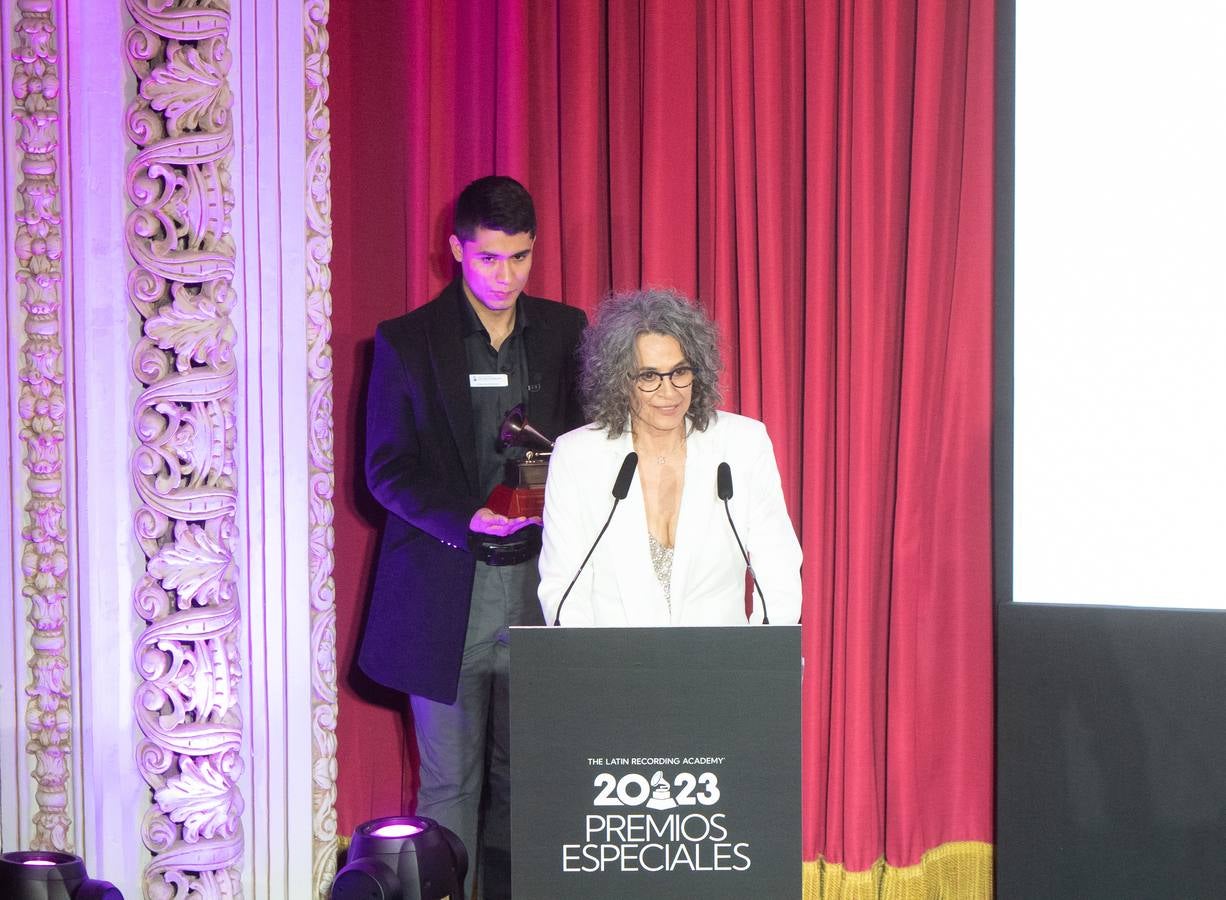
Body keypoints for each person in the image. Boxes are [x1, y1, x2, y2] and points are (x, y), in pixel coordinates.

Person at [360, 175, 586, 898]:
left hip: (540, 595)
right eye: (490, 258)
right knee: (450, 785)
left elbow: (592, 445)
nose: (506, 276)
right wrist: (465, 518)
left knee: (531, 785)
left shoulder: (568, 331)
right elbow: (384, 470)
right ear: (457, 250)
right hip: (445, 595)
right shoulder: (406, 341)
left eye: (520, 258)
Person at [539, 287, 802, 626]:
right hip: (617, 670)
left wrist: (760, 664)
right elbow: (564, 588)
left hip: (720, 668)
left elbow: (777, 567)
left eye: (680, 372)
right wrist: (592, 673)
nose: (669, 392)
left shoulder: (742, 444)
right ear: (619, 380)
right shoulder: (577, 456)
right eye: (649, 376)